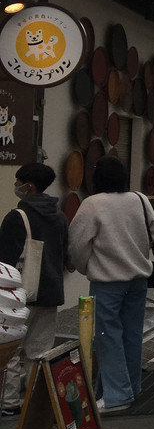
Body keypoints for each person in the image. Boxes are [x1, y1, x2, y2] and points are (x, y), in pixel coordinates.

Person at [69, 157, 154, 413]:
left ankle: (117, 396)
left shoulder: (92, 204)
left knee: (108, 337)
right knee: (131, 334)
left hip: (107, 281)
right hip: (139, 279)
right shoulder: (140, 200)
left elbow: (76, 245)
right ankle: (129, 387)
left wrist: (87, 267)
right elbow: (153, 235)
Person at [0, 163, 69, 414]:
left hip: (20, 296)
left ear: (29, 187)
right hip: (51, 293)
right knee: (40, 353)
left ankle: (9, 404)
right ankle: (35, 404)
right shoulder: (59, 216)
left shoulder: (17, 218)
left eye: (18, 182)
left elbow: (4, 262)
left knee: (11, 352)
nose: (16, 186)